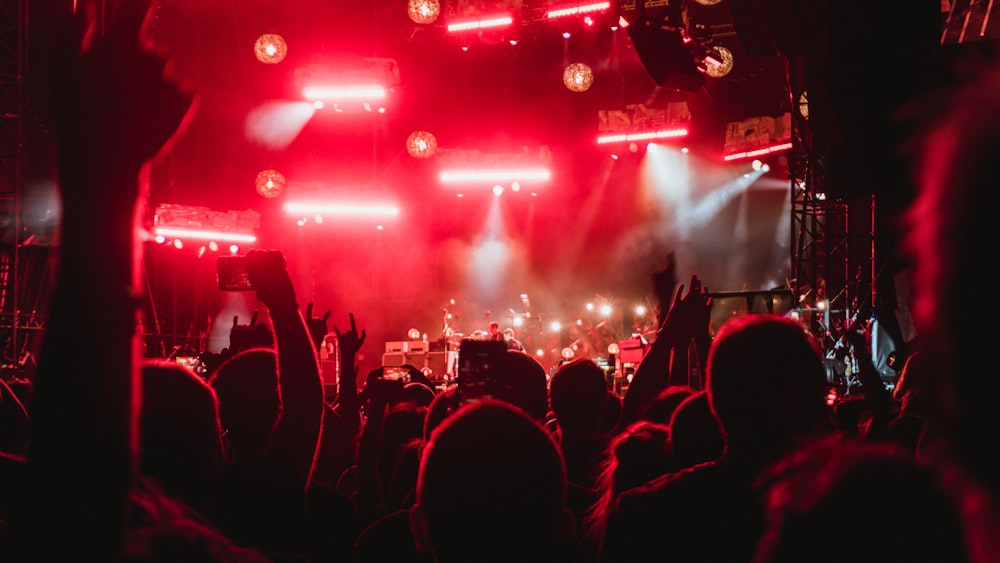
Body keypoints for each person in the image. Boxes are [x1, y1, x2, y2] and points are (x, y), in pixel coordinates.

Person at [599, 314, 837, 563]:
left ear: (715, 400)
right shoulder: (842, 511)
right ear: (796, 397)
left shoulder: (642, 515)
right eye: (819, 393)